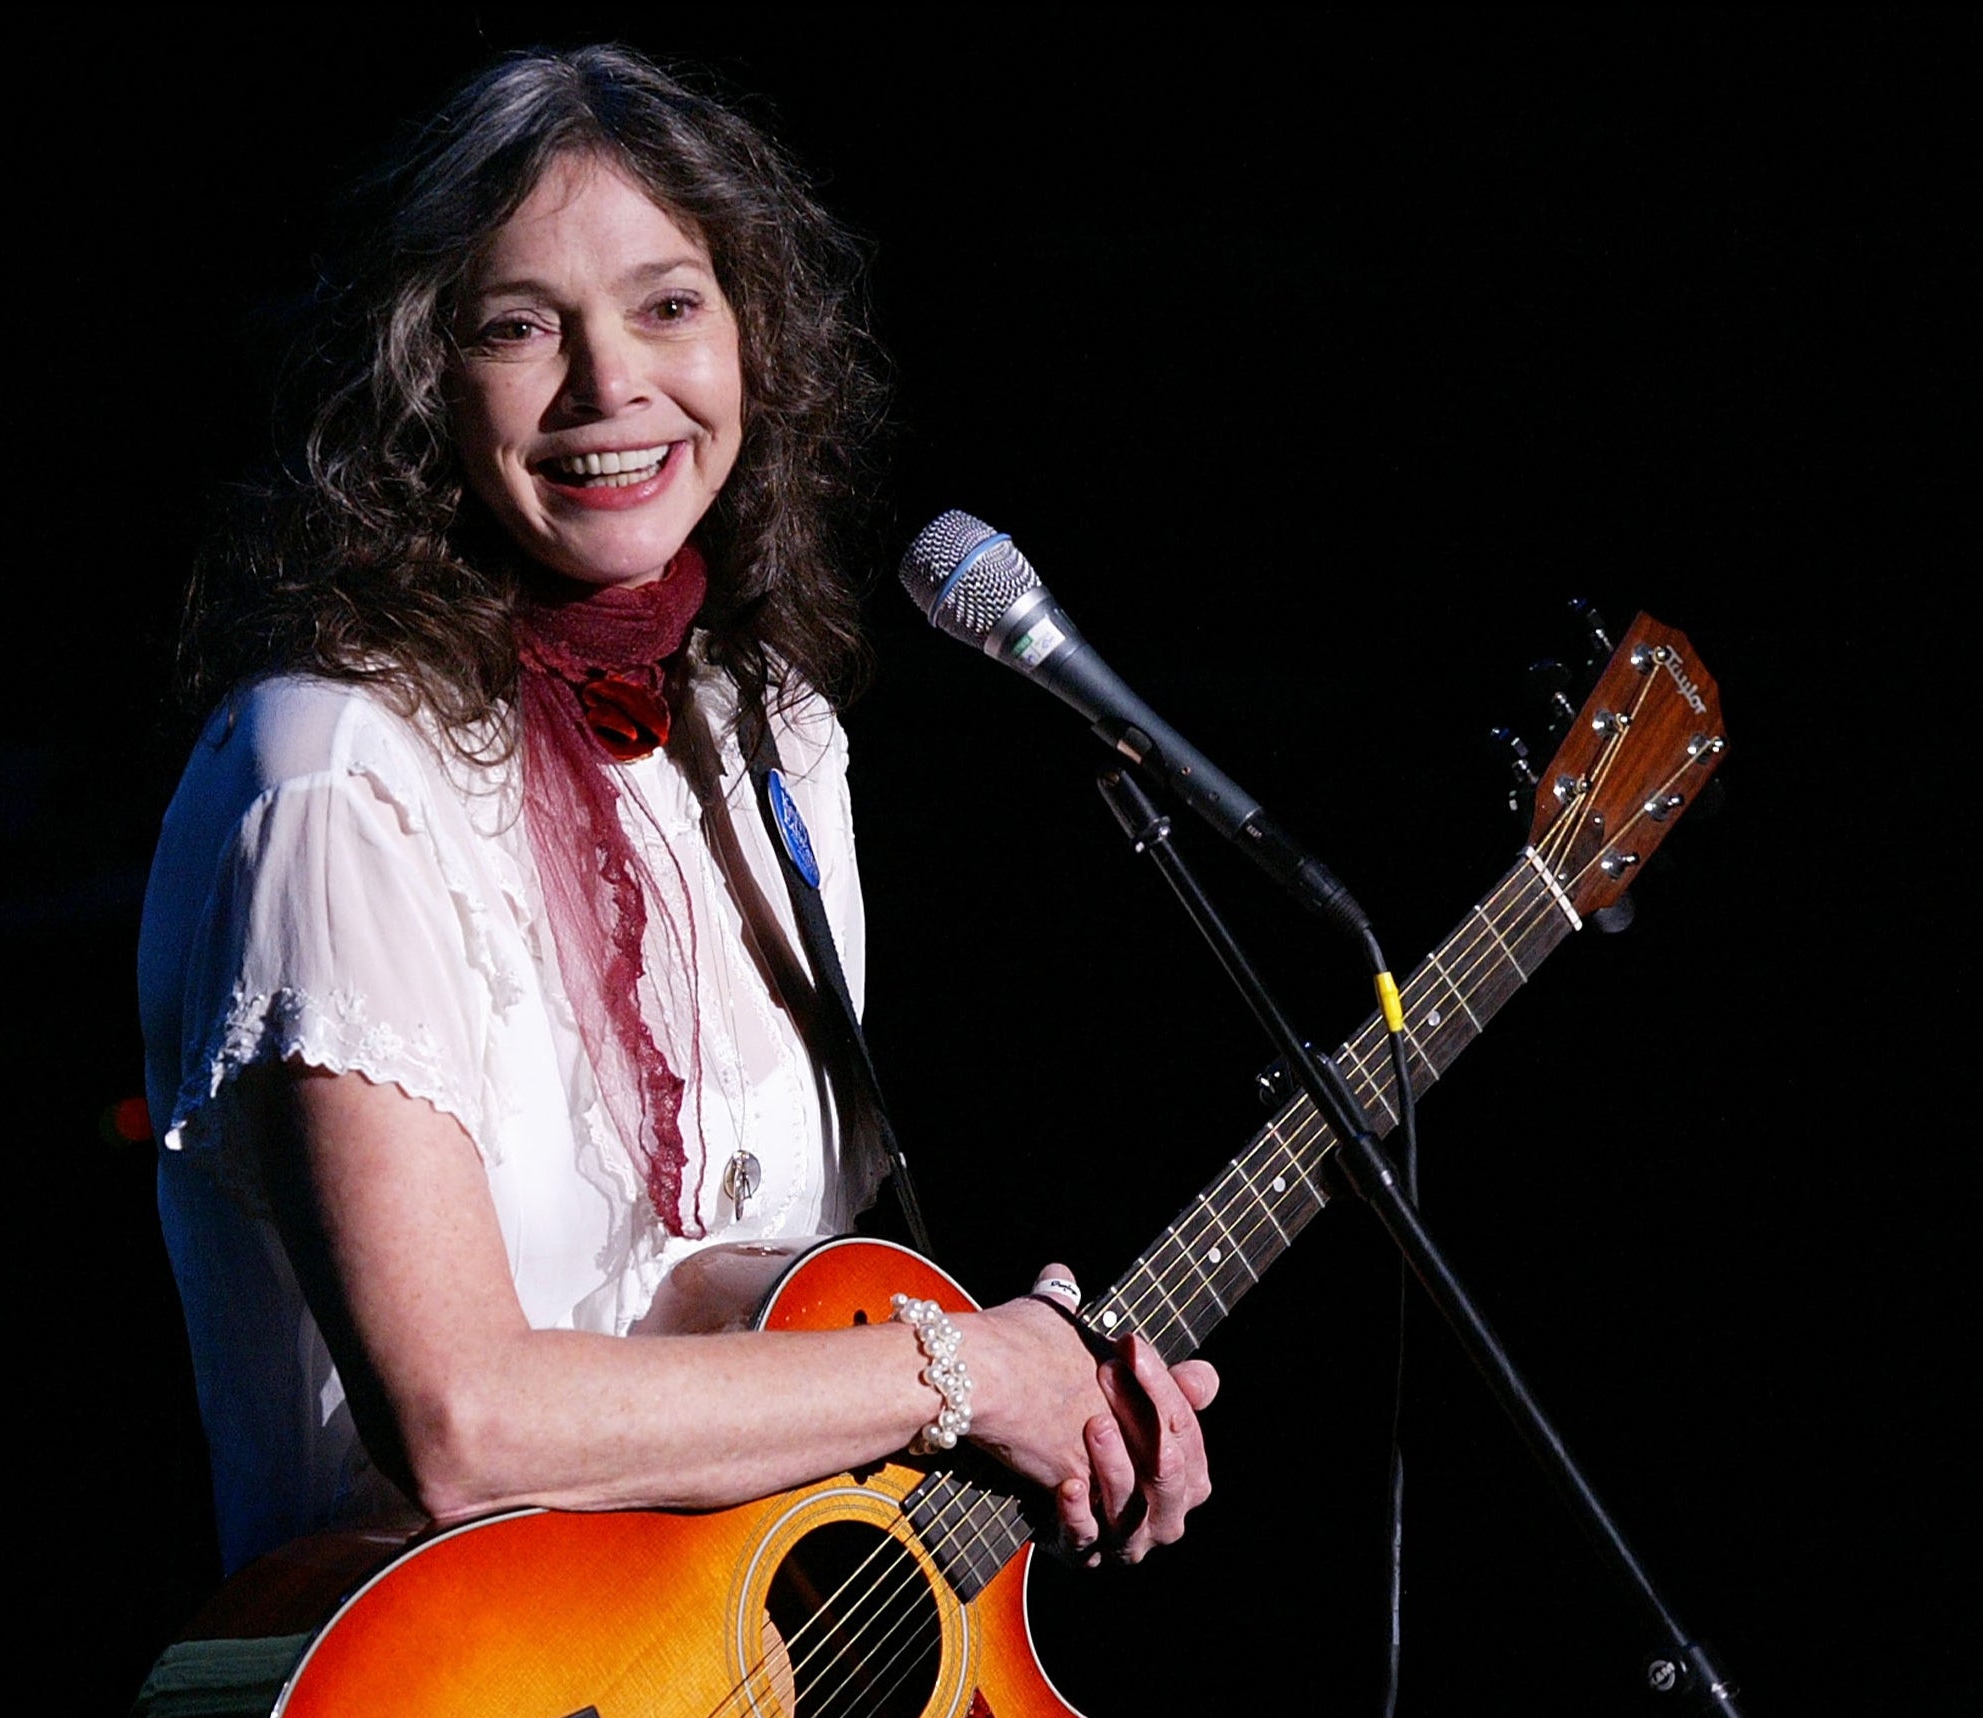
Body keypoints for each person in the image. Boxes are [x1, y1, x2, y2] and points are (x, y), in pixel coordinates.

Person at [136, 44, 1217, 1603]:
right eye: (518, 327)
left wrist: (1064, 1403)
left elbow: (786, 1337)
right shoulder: (330, 770)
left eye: (667, 305)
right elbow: (463, 1421)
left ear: (751, 339)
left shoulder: (770, 735)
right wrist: (968, 1374)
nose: (609, 387)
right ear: (417, 379)